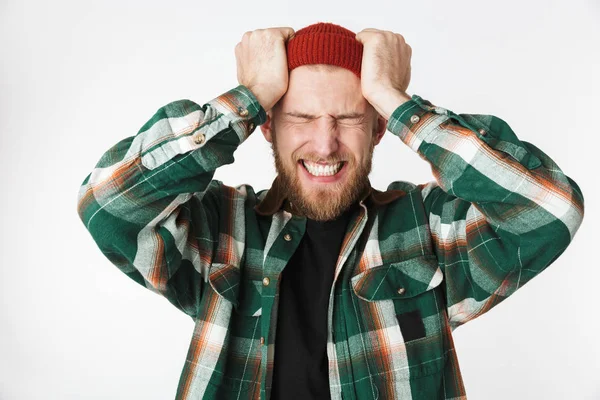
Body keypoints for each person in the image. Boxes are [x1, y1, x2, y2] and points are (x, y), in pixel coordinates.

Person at [76, 22, 584, 400]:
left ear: (380, 129)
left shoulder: (426, 228)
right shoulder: (216, 230)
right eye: (299, 117)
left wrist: (396, 99)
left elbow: (550, 208)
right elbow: (107, 204)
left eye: (348, 118)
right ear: (268, 127)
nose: (325, 143)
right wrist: (248, 98)